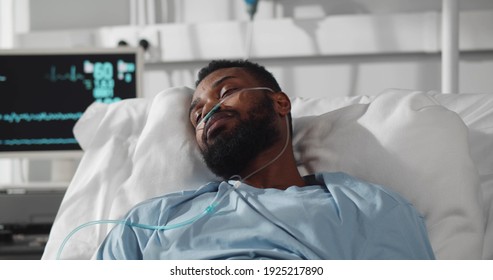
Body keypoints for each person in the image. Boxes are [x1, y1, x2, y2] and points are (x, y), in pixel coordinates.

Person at [96, 60, 435, 260]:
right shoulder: (148, 222)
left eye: (226, 92)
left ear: (281, 103)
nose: (208, 113)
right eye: (197, 114)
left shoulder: (368, 208)